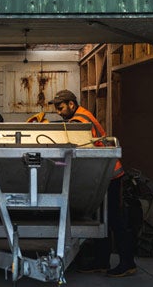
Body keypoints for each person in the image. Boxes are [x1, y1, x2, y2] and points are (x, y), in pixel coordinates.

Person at [46, 90, 136, 277]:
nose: (59, 112)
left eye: (61, 108)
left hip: (110, 175)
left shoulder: (80, 121)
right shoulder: (79, 117)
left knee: (114, 219)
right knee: (101, 218)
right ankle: (102, 261)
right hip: (101, 174)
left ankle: (127, 263)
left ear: (71, 104)